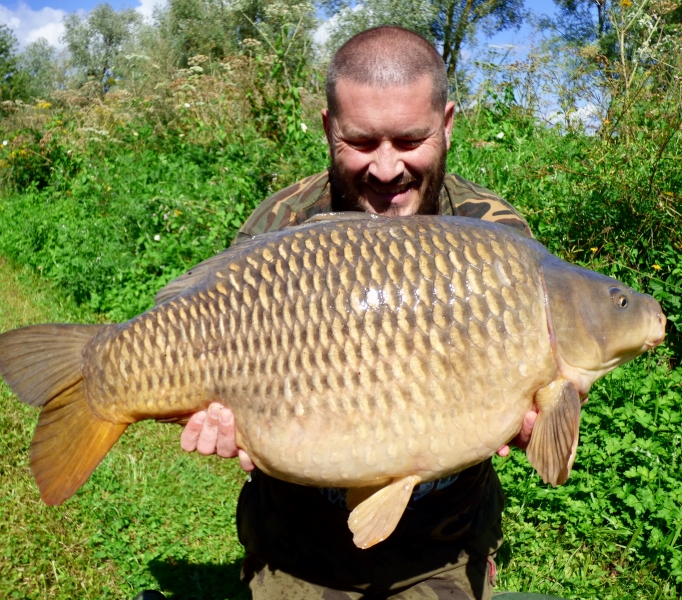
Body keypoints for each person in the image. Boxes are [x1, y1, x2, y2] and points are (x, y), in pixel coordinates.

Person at [180, 26, 538, 600]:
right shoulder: (281, 226)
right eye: (363, 142)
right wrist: (221, 416)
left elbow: (555, 369)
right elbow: (222, 353)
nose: (387, 169)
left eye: (410, 139)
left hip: (442, 546)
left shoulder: (495, 239)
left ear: (446, 125)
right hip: (296, 546)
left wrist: (543, 409)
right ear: (328, 129)